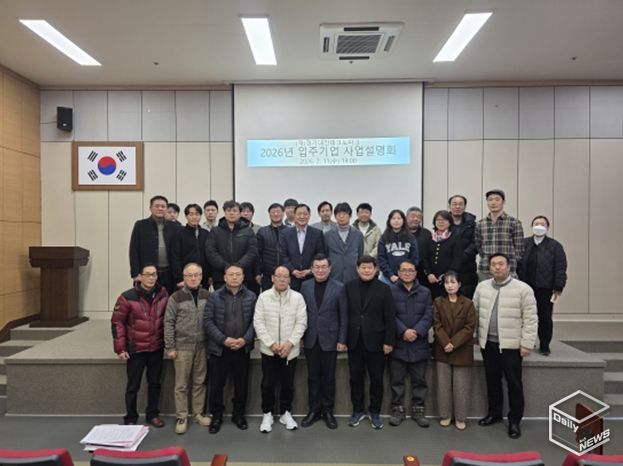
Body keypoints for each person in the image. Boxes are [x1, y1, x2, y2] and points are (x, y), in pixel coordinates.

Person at [473, 253, 537, 439]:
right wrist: (474, 336)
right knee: (492, 381)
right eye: (493, 264)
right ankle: (494, 413)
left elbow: (531, 319)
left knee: (514, 383)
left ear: (509, 267)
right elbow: (474, 313)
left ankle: (515, 420)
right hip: (488, 344)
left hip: (512, 346)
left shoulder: (523, 289)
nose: (497, 267)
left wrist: (527, 343)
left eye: (501, 264)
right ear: (489, 268)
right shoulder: (482, 287)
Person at [111, 264, 168, 427]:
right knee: (133, 386)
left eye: (154, 274)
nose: (151, 277)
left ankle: (152, 414)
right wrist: (120, 348)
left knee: (154, 383)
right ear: (140, 277)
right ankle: (130, 417)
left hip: (156, 347)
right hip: (136, 348)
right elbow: (117, 323)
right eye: (147, 274)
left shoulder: (163, 294)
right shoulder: (127, 297)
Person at [254, 265, 308, 433]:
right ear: (272, 278)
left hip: (289, 350)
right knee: (268, 383)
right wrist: (271, 344)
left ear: (290, 279)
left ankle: (286, 412)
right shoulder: (263, 297)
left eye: (286, 276)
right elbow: (258, 322)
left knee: (287, 383)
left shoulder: (298, 298)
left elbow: (301, 322)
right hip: (269, 350)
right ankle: (267, 413)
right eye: (279, 276)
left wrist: (290, 343)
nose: (282, 279)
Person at [204, 264, 257, 433]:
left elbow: (256, 321)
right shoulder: (214, 297)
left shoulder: (251, 296)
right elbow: (208, 322)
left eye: (238, 274)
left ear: (243, 277)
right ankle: (216, 416)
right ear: (224, 277)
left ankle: (238, 415)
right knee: (216, 386)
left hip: (242, 348)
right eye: (231, 274)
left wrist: (245, 339)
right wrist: (224, 340)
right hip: (220, 349)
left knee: (241, 385)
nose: (234, 277)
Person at [345, 256, 395, 430]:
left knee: (377, 379)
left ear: (375, 270)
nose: (366, 270)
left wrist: (389, 341)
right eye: (363, 267)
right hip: (354, 341)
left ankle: (375, 412)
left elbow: (390, 317)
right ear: (357, 269)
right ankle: (357, 410)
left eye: (369, 267)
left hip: (377, 342)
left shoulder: (385, 289)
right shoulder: (349, 287)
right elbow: (345, 314)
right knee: (355, 378)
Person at [300, 254, 348, 429]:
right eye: (317, 267)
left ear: (330, 268)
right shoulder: (305, 286)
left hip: (331, 339)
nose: (320, 270)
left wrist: (342, 339)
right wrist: (300, 337)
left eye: (323, 267)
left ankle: (328, 411)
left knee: (328, 378)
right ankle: (314, 410)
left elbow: (344, 315)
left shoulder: (339, 287)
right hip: (310, 339)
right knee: (313, 377)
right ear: (312, 269)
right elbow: (301, 313)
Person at [163, 263, 211, 434]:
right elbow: (169, 322)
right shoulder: (175, 298)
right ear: (184, 278)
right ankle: (182, 417)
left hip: (202, 346)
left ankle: (197, 413)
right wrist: (170, 346)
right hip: (182, 347)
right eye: (189, 275)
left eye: (196, 275)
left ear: (201, 277)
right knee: (181, 385)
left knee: (199, 382)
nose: (193, 278)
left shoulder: (208, 296)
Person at [388, 260, 433, 428]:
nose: (407, 273)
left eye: (411, 270)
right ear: (398, 273)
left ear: (415, 273)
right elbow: (389, 315)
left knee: (419, 381)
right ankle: (397, 410)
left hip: (419, 343)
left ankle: (418, 410)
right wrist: (403, 331)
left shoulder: (425, 292)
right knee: (396, 380)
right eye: (404, 270)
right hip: (398, 343)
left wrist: (417, 331)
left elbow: (429, 314)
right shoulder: (390, 291)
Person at [517, 215, 567, 356]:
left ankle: (544, 345)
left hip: (545, 287)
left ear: (547, 227)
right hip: (525, 287)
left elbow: (560, 267)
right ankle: (526, 341)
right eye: (536, 224)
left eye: (542, 224)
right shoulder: (524, 243)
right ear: (532, 226)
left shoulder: (555, 246)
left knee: (544, 317)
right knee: (524, 316)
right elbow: (517, 263)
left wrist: (558, 286)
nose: (539, 226)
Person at [432, 271, 476, 431]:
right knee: (443, 385)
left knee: (461, 386)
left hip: (462, 349)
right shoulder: (438, 302)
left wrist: (453, 343)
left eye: (453, 282)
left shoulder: (468, 303)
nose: (449, 286)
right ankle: (445, 415)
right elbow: (436, 324)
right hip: (442, 348)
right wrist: (446, 342)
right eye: (446, 283)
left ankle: (460, 417)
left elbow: (469, 327)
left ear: (459, 284)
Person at [129, 195, 179, 294]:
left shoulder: (174, 227)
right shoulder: (140, 225)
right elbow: (134, 250)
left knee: (168, 300)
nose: (160, 208)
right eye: (157, 206)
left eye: (163, 206)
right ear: (150, 208)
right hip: (147, 274)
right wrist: (135, 273)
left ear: (166, 209)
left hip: (169, 273)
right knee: (146, 300)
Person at [205, 200, 258, 290]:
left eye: (234, 211)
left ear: (240, 213)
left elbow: (252, 251)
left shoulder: (248, 231)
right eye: (228, 210)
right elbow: (211, 252)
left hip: (243, 276)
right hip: (221, 277)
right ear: (224, 213)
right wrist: (226, 266)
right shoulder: (215, 231)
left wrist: (239, 266)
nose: (231, 213)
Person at [475, 189, 524, 281]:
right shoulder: (480, 224)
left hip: (507, 271)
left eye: (497, 199)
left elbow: (519, 249)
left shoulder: (514, 222)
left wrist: (508, 264)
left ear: (503, 202)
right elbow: (479, 247)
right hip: (485, 270)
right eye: (490, 200)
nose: (493, 203)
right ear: (487, 202)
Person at [279, 203, 325, 291]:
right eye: (299, 214)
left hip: (311, 277)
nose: (302, 216)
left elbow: (320, 255)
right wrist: (292, 270)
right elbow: (283, 255)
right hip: (291, 278)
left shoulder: (317, 233)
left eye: (305, 214)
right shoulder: (285, 234)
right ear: (294, 215)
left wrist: (310, 270)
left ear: (309, 215)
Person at [421, 210, 463, 300]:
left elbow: (457, 259)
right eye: (438, 220)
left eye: (444, 220)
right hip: (431, 280)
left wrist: (446, 276)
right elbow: (424, 257)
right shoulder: (430, 238)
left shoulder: (455, 238)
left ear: (450, 222)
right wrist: (429, 273)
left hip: (448, 281)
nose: (441, 222)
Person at [170, 203, 211, 290]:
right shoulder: (179, 234)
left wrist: (210, 275)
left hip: (203, 277)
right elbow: (174, 258)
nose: (194, 217)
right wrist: (179, 279)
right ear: (186, 216)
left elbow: (209, 255)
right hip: (185, 278)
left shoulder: (206, 234)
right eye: (191, 214)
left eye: (197, 214)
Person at [323, 202, 364, 284]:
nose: (341, 217)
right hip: (334, 275)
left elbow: (360, 256)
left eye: (344, 214)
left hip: (353, 275)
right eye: (338, 214)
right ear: (335, 216)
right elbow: (326, 256)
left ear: (350, 216)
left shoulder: (358, 235)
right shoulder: (328, 235)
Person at [377, 209, 419, 284]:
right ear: (389, 221)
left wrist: (406, 274)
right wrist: (390, 275)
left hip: (407, 277)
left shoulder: (410, 237)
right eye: (393, 218)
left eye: (399, 218)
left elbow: (414, 257)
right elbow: (381, 258)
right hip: (387, 277)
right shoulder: (384, 238)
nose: (396, 221)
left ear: (403, 221)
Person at [448, 195, 478, 298]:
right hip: (448, 266)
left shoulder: (472, 224)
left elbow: (476, 243)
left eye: (460, 204)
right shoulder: (443, 222)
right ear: (449, 206)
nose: (457, 207)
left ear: (465, 206)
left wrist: (462, 257)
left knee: (466, 299)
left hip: (467, 267)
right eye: (454, 204)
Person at [256, 203, 286, 291]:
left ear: (283, 213)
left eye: (278, 212)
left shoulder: (290, 231)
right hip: (267, 275)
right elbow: (258, 254)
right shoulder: (262, 231)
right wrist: (258, 272)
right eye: (273, 212)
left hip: (286, 275)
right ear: (269, 214)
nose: (276, 214)